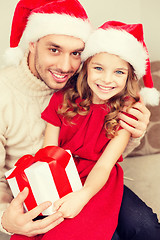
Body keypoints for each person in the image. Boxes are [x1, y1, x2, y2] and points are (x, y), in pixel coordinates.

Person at [0, 0, 158, 239]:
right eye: (54, 49)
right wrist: (7, 218)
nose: (66, 66)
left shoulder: (84, 86)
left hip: (95, 178)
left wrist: (135, 131)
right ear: (32, 44)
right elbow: (48, 154)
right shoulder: (10, 93)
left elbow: (108, 152)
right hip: (44, 183)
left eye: (76, 53)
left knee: (145, 226)